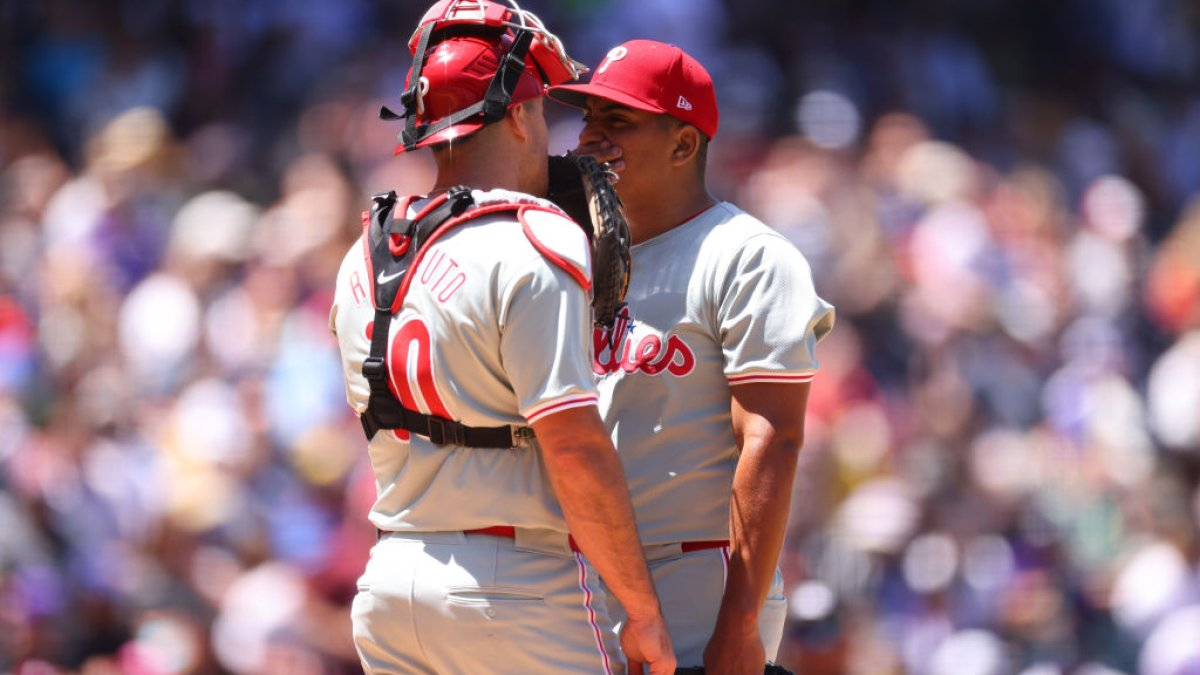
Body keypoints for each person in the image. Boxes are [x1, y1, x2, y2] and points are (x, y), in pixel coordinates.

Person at [328, 5, 674, 674]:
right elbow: (573, 446)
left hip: (393, 579)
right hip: (515, 589)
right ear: (517, 115)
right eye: (543, 110)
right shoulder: (533, 241)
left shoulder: (365, 254)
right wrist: (644, 607)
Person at [549, 39, 836, 672]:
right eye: (588, 120)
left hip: (695, 581)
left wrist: (739, 624)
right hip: (577, 590)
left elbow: (774, 440)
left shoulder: (746, 256)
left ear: (684, 145)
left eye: (617, 122)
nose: (590, 139)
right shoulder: (566, 255)